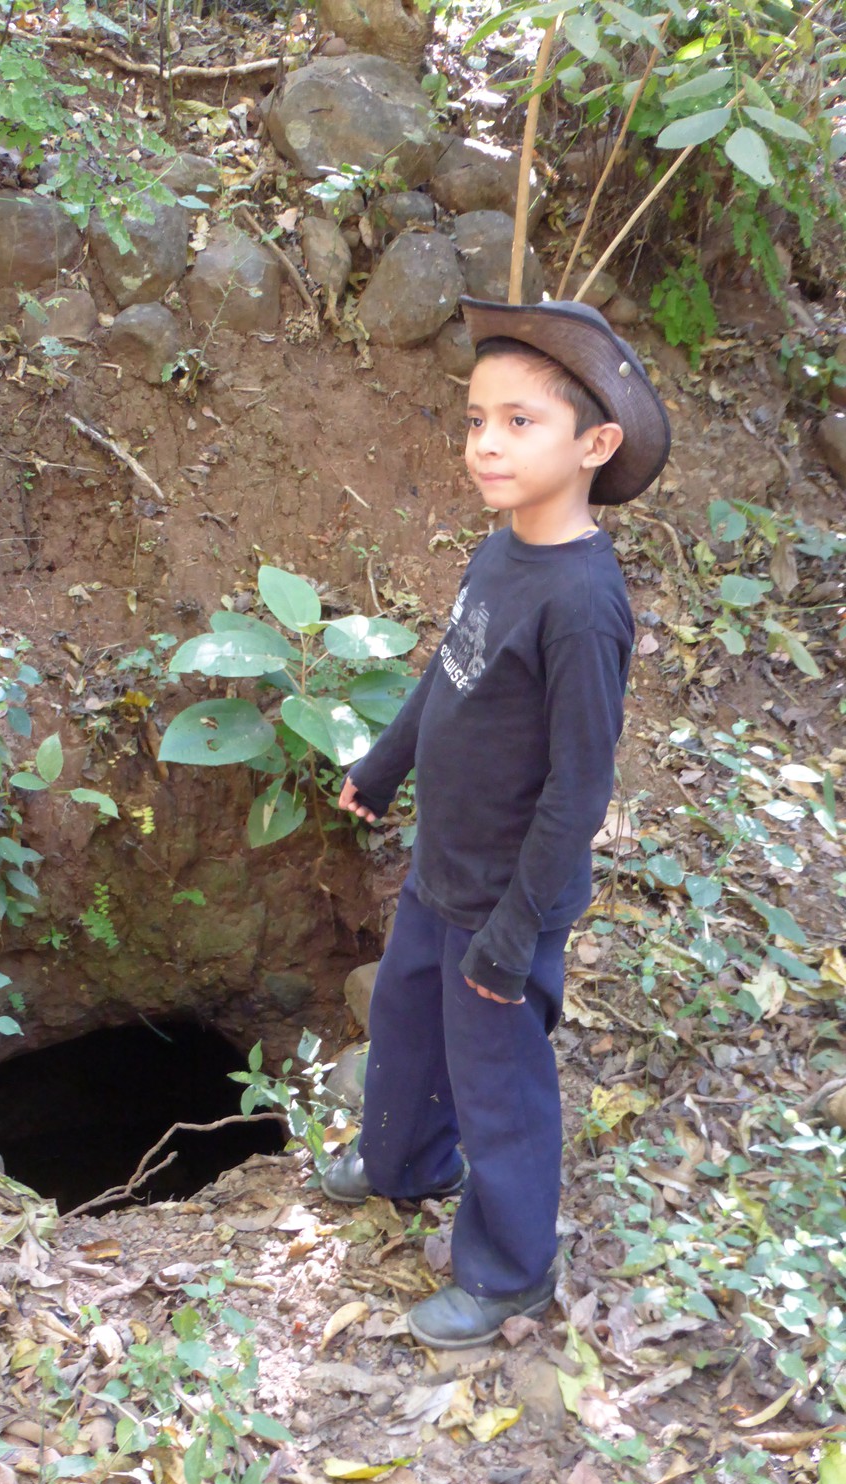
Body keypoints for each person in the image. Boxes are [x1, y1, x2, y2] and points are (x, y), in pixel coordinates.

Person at [321, 296, 671, 1350]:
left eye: (521, 422)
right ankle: (403, 1164)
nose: (487, 443)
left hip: (506, 904)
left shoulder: (584, 604)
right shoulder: (499, 554)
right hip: (441, 874)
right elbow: (451, 673)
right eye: (477, 419)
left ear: (595, 445)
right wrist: (385, 764)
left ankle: (512, 1267)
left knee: (498, 1084)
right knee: (404, 1030)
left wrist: (517, 932)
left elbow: (579, 786)